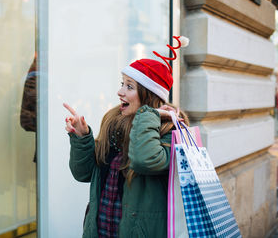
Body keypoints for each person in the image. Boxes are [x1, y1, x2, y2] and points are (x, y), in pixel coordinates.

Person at [64, 36, 189, 238]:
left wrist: (149, 116)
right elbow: (83, 173)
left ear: (149, 95)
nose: (119, 92)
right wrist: (82, 138)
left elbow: (144, 160)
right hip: (101, 231)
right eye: (123, 83)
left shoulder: (171, 130)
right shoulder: (113, 124)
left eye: (129, 87)